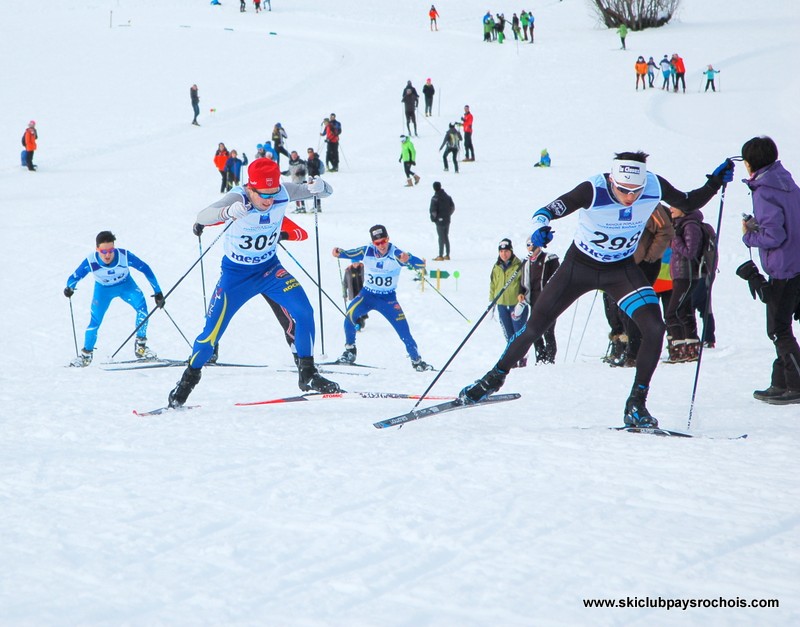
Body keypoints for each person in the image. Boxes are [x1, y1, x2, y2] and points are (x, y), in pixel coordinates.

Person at [459, 151, 735, 428]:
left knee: (654, 328)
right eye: (623, 189)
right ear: (612, 180)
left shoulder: (654, 185)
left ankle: (636, 404)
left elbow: (687, 201)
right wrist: (539, 229)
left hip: (621, 270)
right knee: (535, 327)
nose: (630, 196)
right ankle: (492, 379)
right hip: (578, 268)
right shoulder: (593, 188)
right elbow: (547, 211)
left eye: (636, 191)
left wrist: (713, 183)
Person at [167, 158, 341, 409]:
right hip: (236, 277)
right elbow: (202, 216)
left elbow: (324, 192)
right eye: (263, 195)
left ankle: (308, 374)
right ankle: (187, 381)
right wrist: (226, 212)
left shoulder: (282, 191)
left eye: (273, 194)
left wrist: (321, 186)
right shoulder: (238, 197)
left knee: (304, 312)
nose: (269, 200)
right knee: (210, 336)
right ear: (251, 188)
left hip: (270, 271)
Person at [736, 136, 800, 405]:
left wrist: (749, 236)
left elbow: (775, 236)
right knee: (780, 326)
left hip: (783, 268)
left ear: (750, 164)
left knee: (778, 329)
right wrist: (757, 225)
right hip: (796, 264)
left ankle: (795, 384)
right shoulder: (787, 183)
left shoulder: (764, 190)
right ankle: (781, 381)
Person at [331, 225, 434, 372]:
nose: (381, 246)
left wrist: (409, 258)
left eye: (383, 241)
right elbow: (347, 253)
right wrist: (338, 252)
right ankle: (349, 351)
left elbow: (419, 264)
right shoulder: (366, 251)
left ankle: (417, 361)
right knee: (350, 314)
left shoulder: (396, 253)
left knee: (404, 331)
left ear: (388, 239)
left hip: (388, 299)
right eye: (377, 243)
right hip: (367, 295)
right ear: (373, 242)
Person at [65, 231, 164, 367]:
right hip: (103, 290)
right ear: (97, 249)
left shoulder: (123, 255)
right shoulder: (91, 261)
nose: (107, 255)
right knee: (94, 321)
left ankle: (141, 348)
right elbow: (74, 277)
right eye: (103, 251)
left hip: (126, 286)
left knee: (142, 310)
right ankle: (85, 355)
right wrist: (69, 287)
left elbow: (145, 268)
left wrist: (158, 292)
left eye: (111, 250)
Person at [663, 205, 709, 363]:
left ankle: (679, 350)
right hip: (681, 275)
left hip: (687, 275)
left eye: (674, 206)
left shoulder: (690, 225)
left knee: (671, 312)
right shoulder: (681, 224)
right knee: (683, 310)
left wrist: (675, 238)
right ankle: (690, 349)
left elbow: (690, 252)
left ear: (683, 209)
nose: (670, 209)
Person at [517, 239, 560, 367]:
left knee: (548, 330)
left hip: (548, 300)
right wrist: (521, 292)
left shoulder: (549, 259)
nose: (531, 249)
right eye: (528, 246)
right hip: (534, 299)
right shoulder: (527, 262)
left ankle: (550, 357)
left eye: (533, 246)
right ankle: (540, 356)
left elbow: (557, 278)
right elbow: (523, 281)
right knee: (535, 330)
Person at [491, 239, 525, 344]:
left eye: (506, 251)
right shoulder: (496, 266)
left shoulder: (519, 265)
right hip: (501, 304)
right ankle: (511, 356)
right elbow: (493, 283)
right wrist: (492, 300)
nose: (504, 254)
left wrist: (522, 294)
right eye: (501, 252)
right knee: (508, 334)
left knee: (518, 333)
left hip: (515, 304)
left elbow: (523, 283)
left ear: (511, 251)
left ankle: (522, 356)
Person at [430, 181, 454, 260]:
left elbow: (433, 210)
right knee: (446, 236)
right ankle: (447, 254)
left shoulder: (435, 198)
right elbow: (452, 207)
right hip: (447, 220)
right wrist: (448, 215)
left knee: (441, 237)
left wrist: (434, 219)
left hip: (439, 221)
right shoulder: (447, 196)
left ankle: (440, 255)